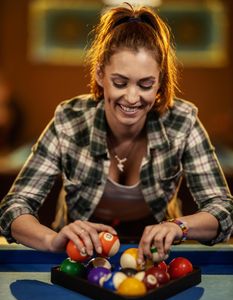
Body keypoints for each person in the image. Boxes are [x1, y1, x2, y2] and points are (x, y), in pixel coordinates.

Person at [0, 4, 232, 265]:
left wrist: (179, 226)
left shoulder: (183, 121)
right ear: (100, 74)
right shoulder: (69, 118)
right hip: (80, 258)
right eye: (120, 83)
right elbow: (15, 206)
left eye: (146, 84)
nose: (132, 98)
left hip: (154, 259)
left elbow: (223, 209)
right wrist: (53, 240)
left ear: (160, 81)